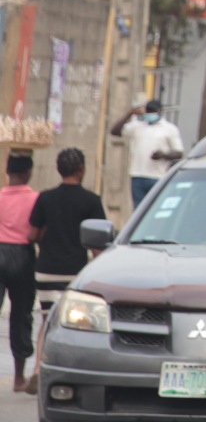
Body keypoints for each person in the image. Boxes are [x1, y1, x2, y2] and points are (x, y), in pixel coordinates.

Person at [27, 148, 106, 382]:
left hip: (46, 270)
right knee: (78, 326)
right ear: (81, 169)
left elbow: (32, 234)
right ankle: (73, 373)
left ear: (58, 169)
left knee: (46, 320)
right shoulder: (91, 201)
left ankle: (38, 369)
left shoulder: (45, 198)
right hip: (75, 273)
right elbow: (97, 245)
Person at [0, 154, 37, 392]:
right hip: (24, 256)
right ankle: (18, 378)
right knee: (21, 315)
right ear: (28, 172)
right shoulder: (36, 198)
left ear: (7, 172)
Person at [110, 99, 183, 206]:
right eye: (148, 112)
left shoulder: (169, 129)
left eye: (153, 112)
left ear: (160, 111)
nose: (150, 115)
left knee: (155, 207)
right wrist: (130, 113)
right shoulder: (137, 126)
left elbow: (179, 153)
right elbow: (115, 131)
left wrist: (163, 155)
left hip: (157, 176)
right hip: (137, 175)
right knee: (138, 209)